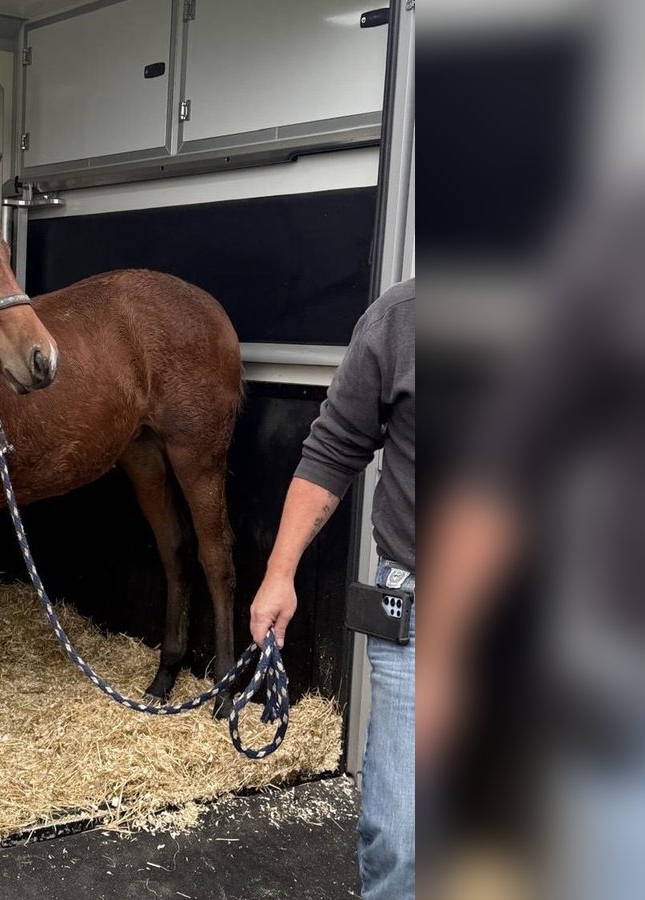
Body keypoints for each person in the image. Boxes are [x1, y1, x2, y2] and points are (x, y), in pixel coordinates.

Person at [248, 277, 415, 900]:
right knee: (403, 840)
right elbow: (335, 449)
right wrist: (279, 573)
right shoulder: (402, 319)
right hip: (423, 605)